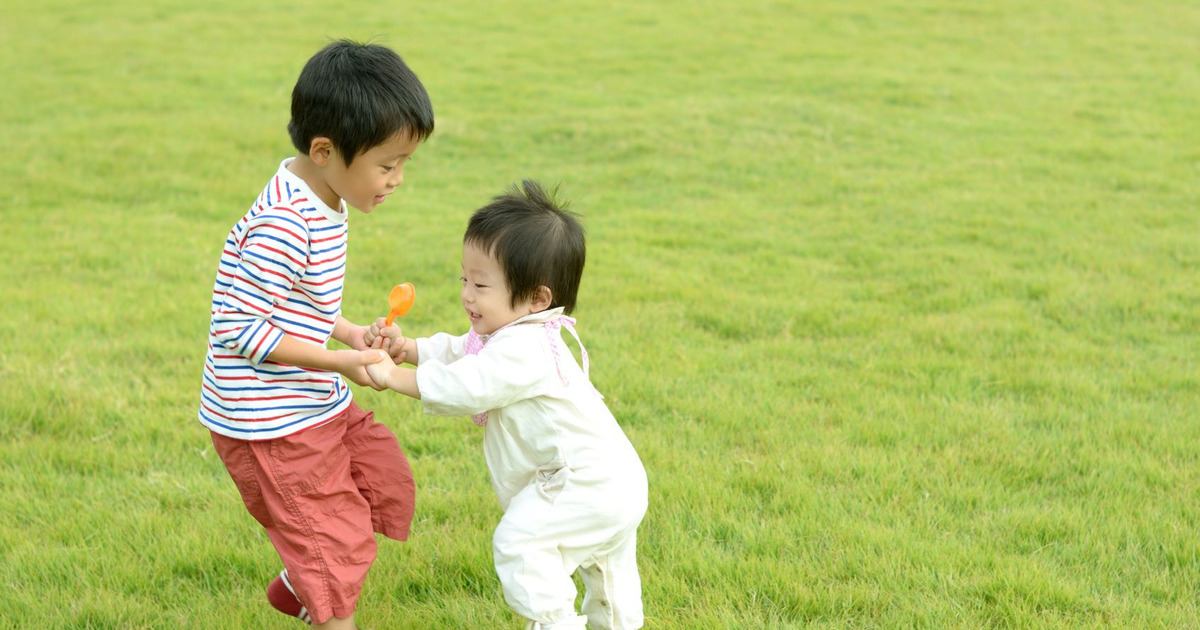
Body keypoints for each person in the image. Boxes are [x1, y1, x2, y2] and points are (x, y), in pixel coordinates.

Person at [197, 39, 434, 629]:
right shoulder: (285, 221)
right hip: (269, 422)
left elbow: (297, 298)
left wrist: (350, 333)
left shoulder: (325, 195)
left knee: (383, 482)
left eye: (405, 162)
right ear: (325, 150)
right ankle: (320, 586)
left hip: (308, 401)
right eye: (388, 164)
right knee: (333, 549)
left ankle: (305, 578)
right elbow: (240, 326)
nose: (398, 178)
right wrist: (337, 362)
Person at [363, 181, 649, 629]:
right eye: (464, 279)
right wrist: (409, 349)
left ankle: (555, 623)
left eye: (480, 284)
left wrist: (391, 376)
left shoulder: (525, 348)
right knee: (607, 573)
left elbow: (469, 386)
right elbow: (462, 351)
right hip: (615, 482)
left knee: (521, 542)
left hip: (581, 483)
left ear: (538, 298)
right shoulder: (511, 336)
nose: (466, 295)